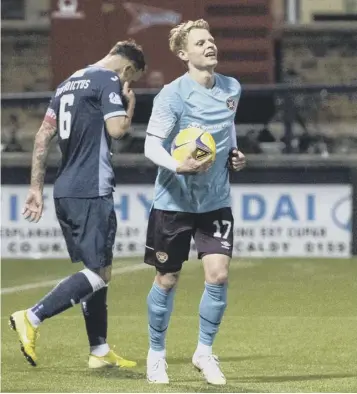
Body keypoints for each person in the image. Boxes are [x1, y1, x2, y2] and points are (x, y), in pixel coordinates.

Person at [9, 40, 146, 369]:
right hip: (91, 189)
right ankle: (32, 316)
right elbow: (117, 129)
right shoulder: (108, 80)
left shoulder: (67, 82)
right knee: (99, 273)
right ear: (128, 69)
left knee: (98, 269)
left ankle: (98, 350)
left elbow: (42, 136)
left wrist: (34, 189)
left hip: (65, 189)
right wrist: (128, 105)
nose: (128, 84)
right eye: (133, 79)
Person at [143, 19, 246, 385]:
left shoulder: (232, 88)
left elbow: (227, 126)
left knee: (218, 275)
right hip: (173, 201)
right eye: (201, 42)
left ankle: (204, 352)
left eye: (212, 40)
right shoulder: (172, 95)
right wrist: (177, 164)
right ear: (184, 54)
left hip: (215, 200)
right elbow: (151, 144)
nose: (210, 45)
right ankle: (156, 354)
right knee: (167, 279)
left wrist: (234, 153)